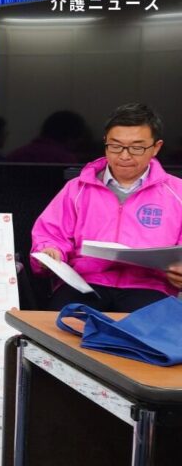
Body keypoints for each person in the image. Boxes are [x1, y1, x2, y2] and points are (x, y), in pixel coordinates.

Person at [33, 103, 182, 311]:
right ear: (105, 142)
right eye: (115, 146)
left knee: (148, 327)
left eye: (137, 148)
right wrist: (49, 251)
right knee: (63, 321)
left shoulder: (177, 192)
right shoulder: (77, 188)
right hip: (85, 282)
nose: (124, 156)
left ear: (156, 148)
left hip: (150, 286)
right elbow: (50, 234)